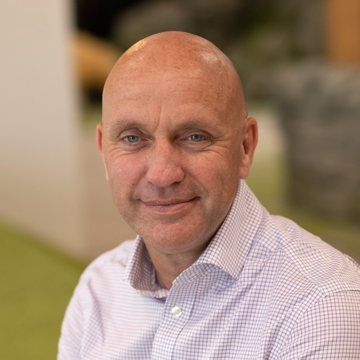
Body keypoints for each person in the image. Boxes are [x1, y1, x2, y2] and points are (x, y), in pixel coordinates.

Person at [58, 32, 360, 359]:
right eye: (132, 139)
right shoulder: (97, 290)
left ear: (245, 147)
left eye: (195, 137)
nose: (162, 174)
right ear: (104, 152)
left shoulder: (321, 303)